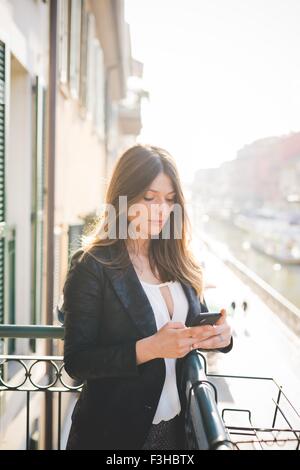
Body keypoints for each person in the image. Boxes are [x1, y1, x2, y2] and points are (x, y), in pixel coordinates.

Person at [62, 144, 233, 450]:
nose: (160, 211)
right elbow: (77, 362)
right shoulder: (92, 266)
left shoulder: (178, 260)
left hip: (178, 430)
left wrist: (221, 336)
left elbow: (197, 320)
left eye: (169, 200)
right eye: (148, 197)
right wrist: (149, 348)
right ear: (124, 199)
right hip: (111, 434)